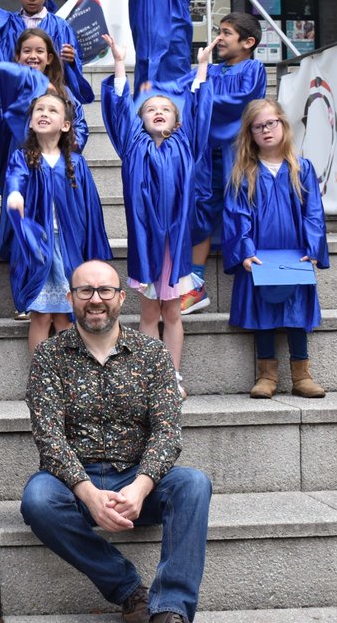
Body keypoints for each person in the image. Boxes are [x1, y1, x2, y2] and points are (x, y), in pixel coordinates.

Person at [21, 259, 212, 623]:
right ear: (70, 297)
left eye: (105, 290)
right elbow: (48, 435)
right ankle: (129, 591)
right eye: (85, 291)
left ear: (121, 298)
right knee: (38, 500)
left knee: (194, 484)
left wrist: (141, 487)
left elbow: (168, 431)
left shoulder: (152, 353)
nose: (96, 300)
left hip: (137, 478)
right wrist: (89, 495)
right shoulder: (48, 355)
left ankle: (171, 609)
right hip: (73, 480)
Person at [101, 35, 212, 398]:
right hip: (148, 244)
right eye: (150, 109)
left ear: (178, 121)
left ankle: (173, 376)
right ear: (141, 120)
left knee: (174, 314)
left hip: (177, 244)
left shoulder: (186, 143)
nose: (158, 111)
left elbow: (199, 108)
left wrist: (202, 68)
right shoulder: (134, 145)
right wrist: (119, 64)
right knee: (150, 314)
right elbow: (119, 110)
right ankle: (151, 376)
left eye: (166, 108)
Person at [223, 99, 329, 399]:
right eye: (258, 127)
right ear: (250, 133)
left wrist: (312, 247)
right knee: (264, 309)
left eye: (272, 123)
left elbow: (314, 213)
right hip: (258, 255)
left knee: (295, 311)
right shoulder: (244, 171)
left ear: (283, 124)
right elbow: (236, 214)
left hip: (295, 253)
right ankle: (266, 375)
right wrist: (244, 250)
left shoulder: (301, 168)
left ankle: (301, 374)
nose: (266, 130)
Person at [0, 0, 93, 194]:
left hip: (51, 102)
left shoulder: (61, 26)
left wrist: (73, 60)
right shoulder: (6, 25)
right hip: (21, 111)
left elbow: (73, 80)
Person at [6, 90, 111, 353]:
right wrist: (16, 194)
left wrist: (92, 250)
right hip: (39, 248)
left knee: (65, 316)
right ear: (30, 121)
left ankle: (67, 375)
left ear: (66, 125)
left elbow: (91, 209)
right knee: (40, 315)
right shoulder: (22, 158)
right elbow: (14, 180)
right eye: (39, 110)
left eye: (52, 110)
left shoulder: (76, 162)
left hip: (68, 247)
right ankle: (41, 378)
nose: (44, 114)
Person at [181, 13, 267, 314]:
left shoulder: (254, 69)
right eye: (218, 31)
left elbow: (239, 103)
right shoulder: (211, 71)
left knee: (241, 211)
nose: (218, 38)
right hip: (207, 157)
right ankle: (194, 284)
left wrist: (202, 89)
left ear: (248, 42)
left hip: (237, 154)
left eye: (226, 33)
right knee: (200, 212)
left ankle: (256, 286)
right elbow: (183, 92)